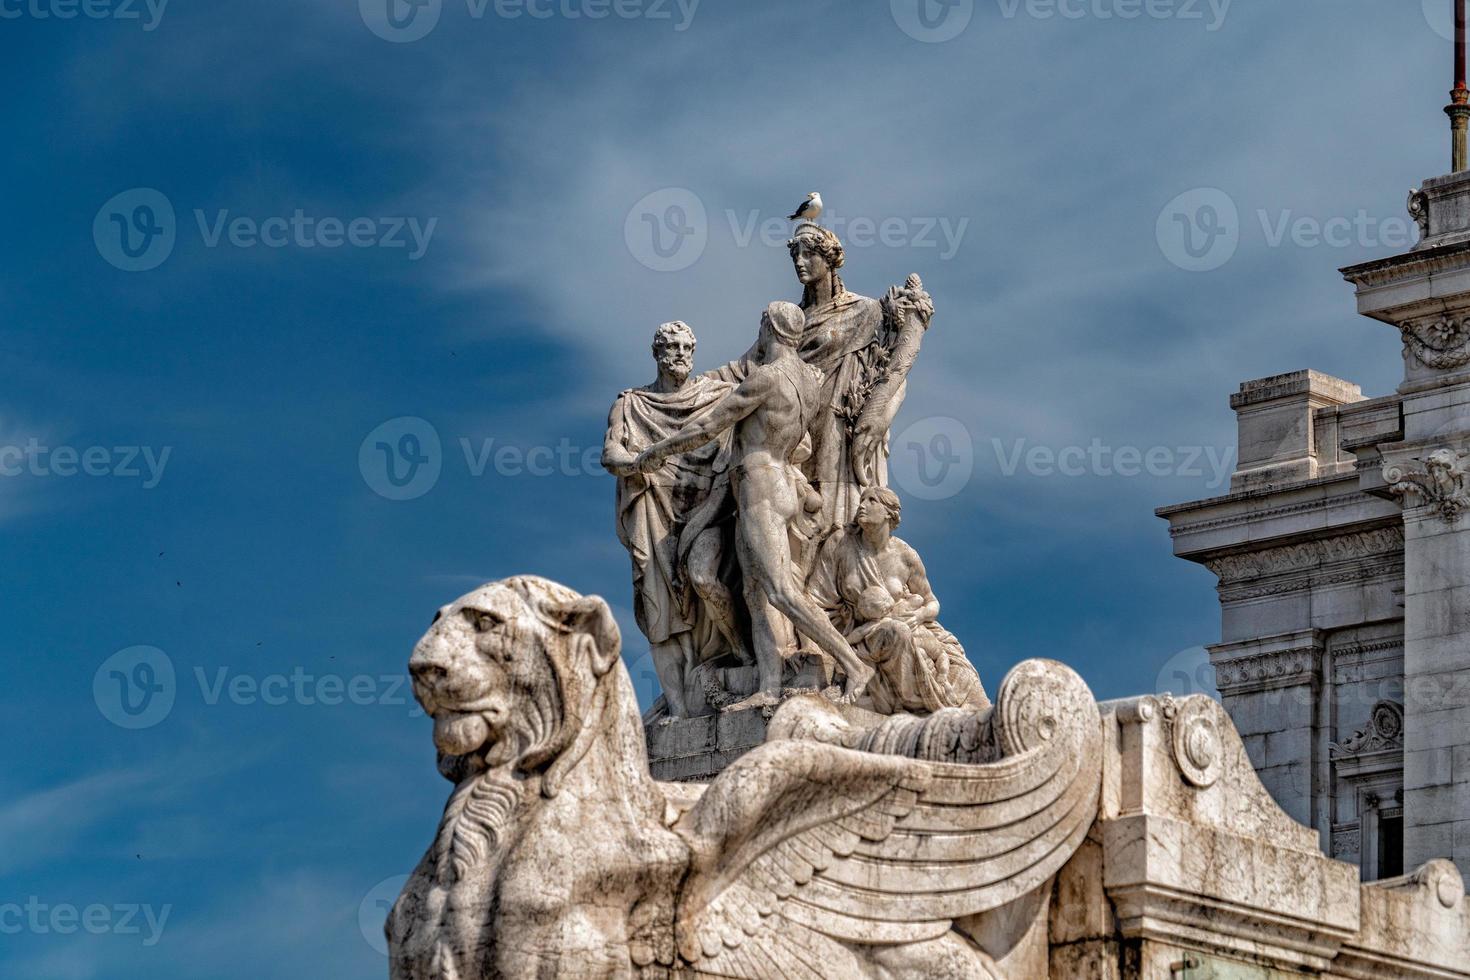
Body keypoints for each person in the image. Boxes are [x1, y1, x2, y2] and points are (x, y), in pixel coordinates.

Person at [635, 302, 875, 708]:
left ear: (768, 329)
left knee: (781, 591)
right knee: (754, 592)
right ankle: (767, 684)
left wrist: (655, 452)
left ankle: (854, 665)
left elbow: (709, 425)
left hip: (759, 485)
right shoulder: (810, 379)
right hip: (780, 484)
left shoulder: (766, 379)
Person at [602, 321, 749, 719]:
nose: (680, 354)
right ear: (656, 353)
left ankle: (741, 659)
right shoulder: (631, 403)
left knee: (707, 582)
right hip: (654, 511)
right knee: (660, 610)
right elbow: (611, 452)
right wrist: (637, 462)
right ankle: (681, 712)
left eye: (686, 347)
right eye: (670, 347)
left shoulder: (716, 396)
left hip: (710, 507)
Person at [808, 486, 988, 715]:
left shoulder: (906, 556)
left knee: (964, 674)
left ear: (889, 514)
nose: (862, 505)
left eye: (872, 501)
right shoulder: (841, 542)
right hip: (861, 628)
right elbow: (816, 599)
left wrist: (919, 615)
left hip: (912, 623)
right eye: (862, 499)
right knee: (896, 632)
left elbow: (931, 602)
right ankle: (916, 705)